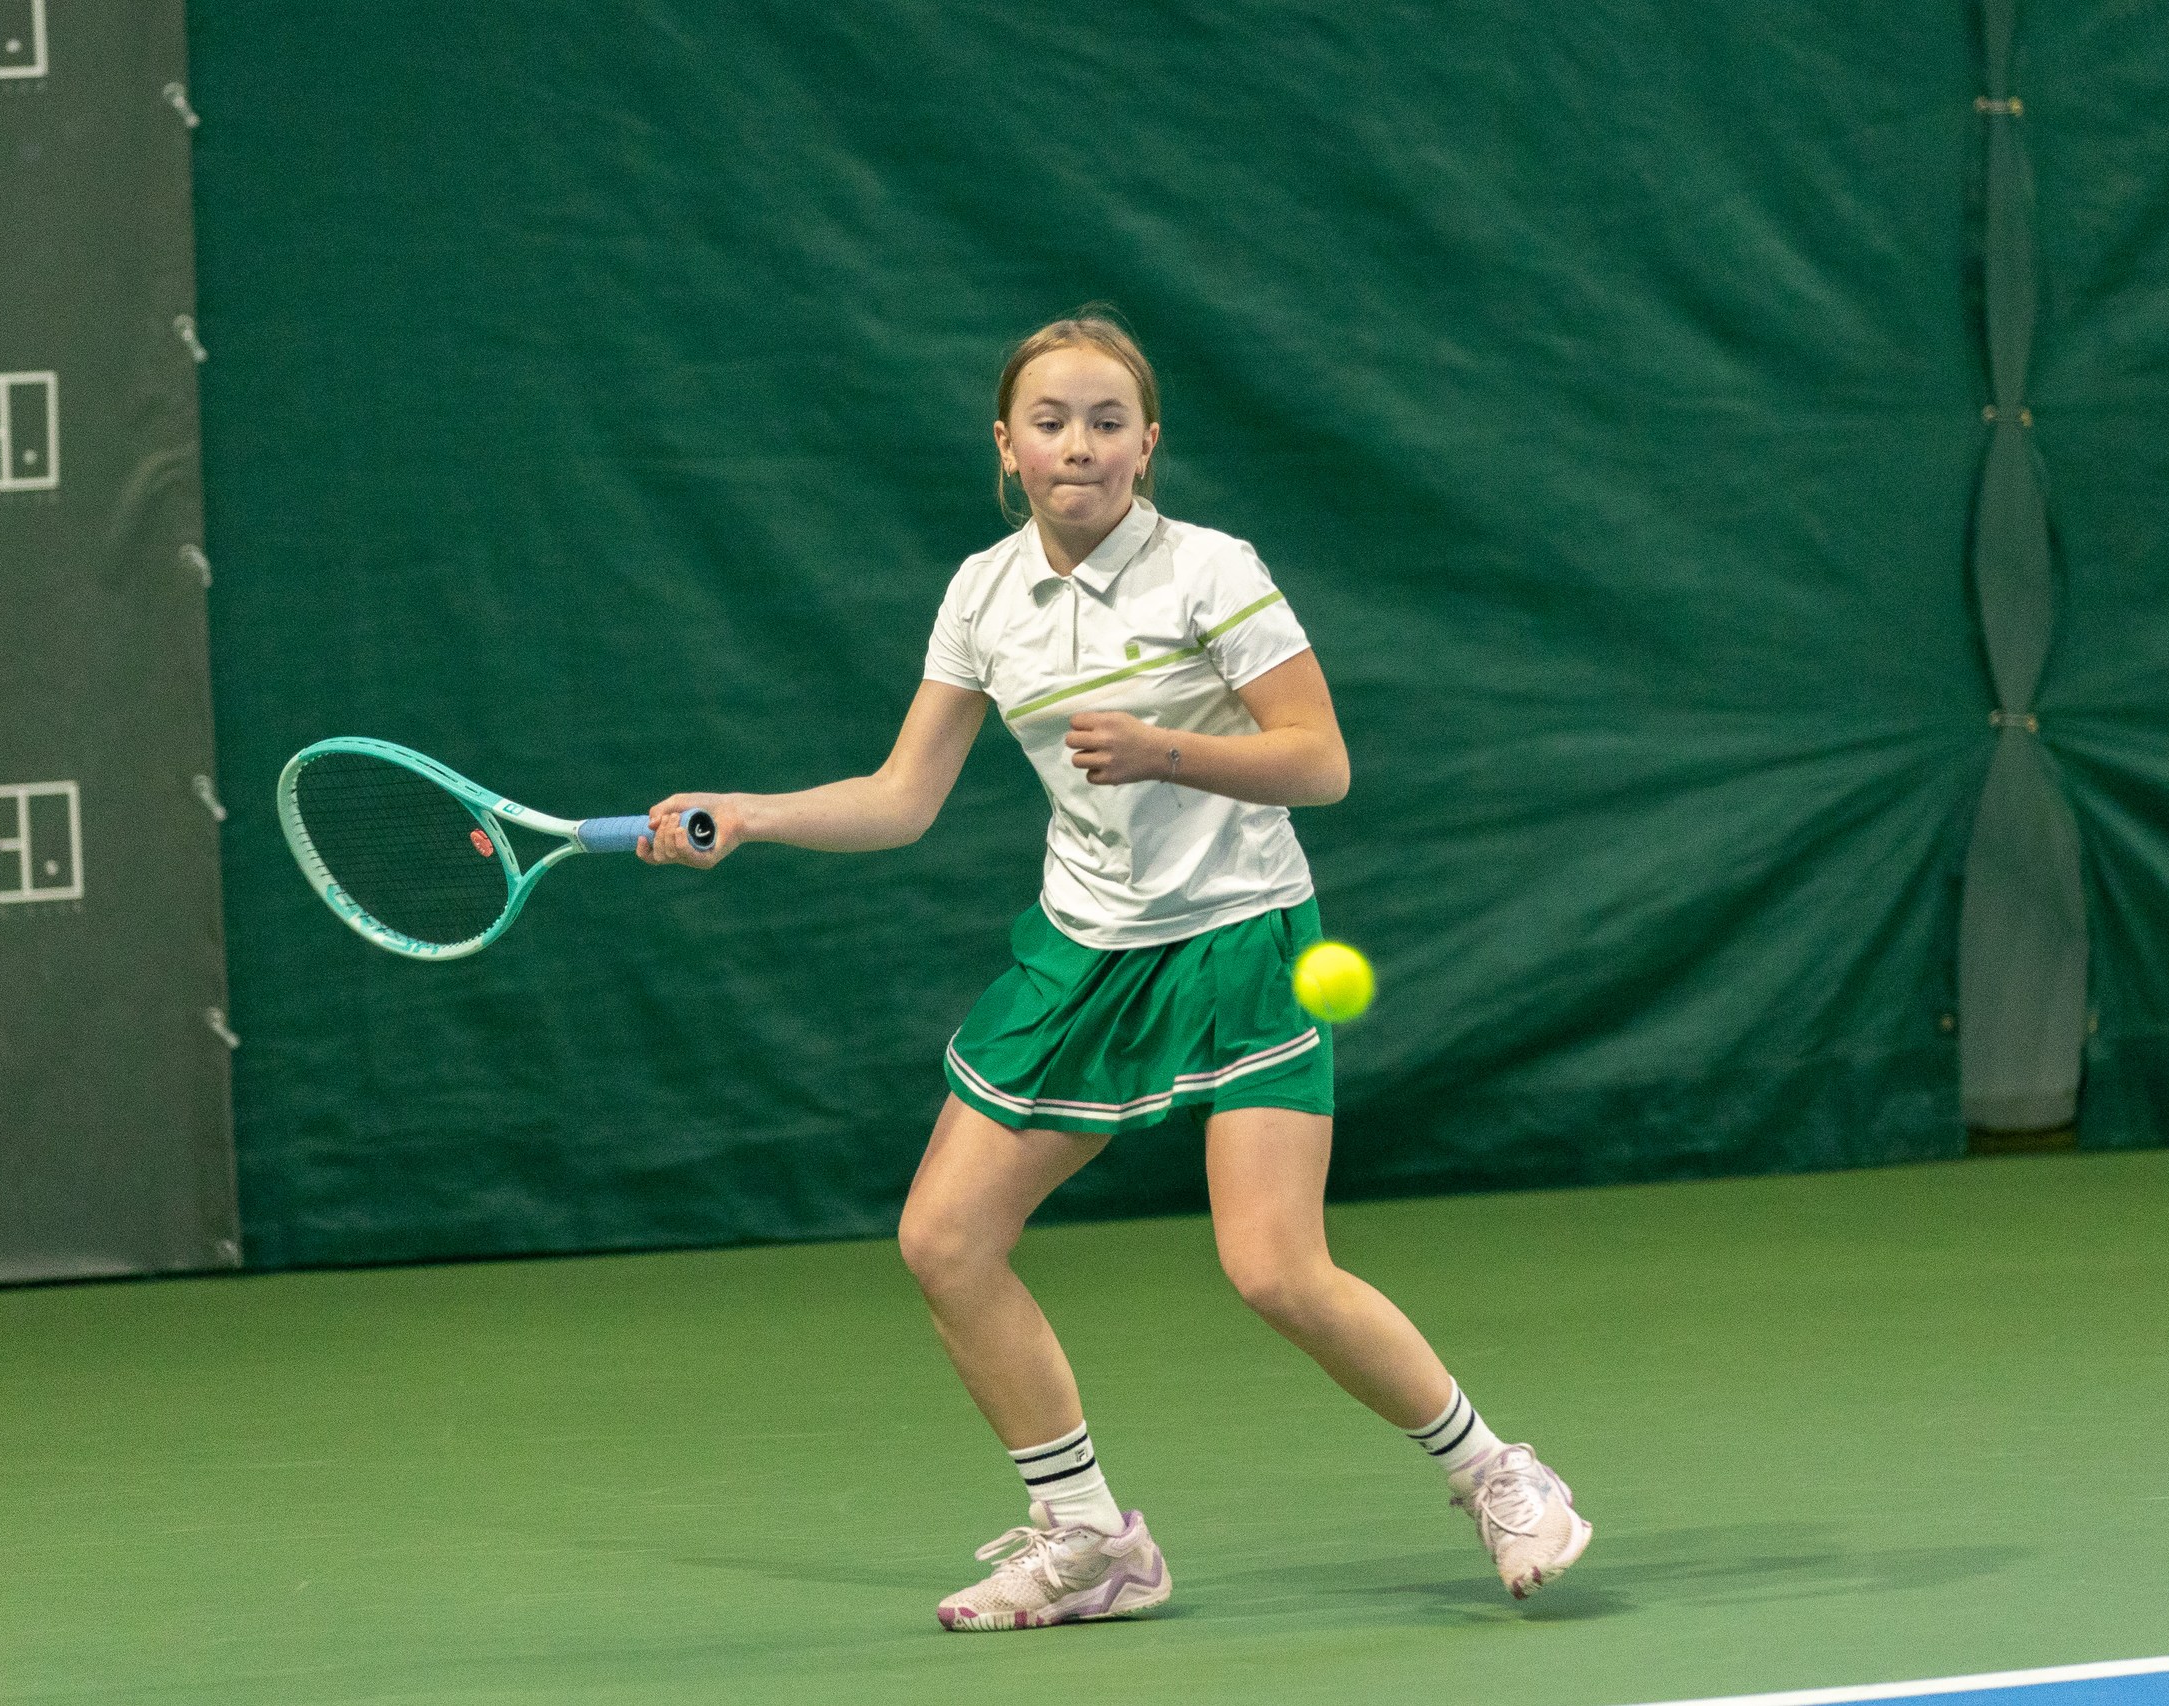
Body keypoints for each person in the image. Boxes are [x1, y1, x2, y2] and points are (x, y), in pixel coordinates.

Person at [639, 313, 1590, 1630]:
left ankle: (1497, 1473)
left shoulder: (1210, 570)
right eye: (1050, 422)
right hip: (1083, 955)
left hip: (1239, 942)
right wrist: (749, 815)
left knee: (1274, 1268)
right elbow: (904, 796)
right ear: (1006, 446)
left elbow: (1321, 761)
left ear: (1147, 445)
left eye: (1105, 421)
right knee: (944, 1240)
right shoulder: (981, 594)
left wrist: (1166, 749)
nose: (1077, 445)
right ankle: (1091, 1542)